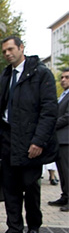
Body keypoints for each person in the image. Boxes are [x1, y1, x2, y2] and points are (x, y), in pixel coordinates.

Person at [0, 36, 58, 233]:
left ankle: (33, 226)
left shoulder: (41, 73)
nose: (8, 54)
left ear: (21, 48)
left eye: (11, 49)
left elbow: (49, 111)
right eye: (4, 51)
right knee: (10, 186)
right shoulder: (7, 75)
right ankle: (14, 228)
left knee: (30, 186)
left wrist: (38, 141)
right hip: (8, 138)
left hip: (30, 140)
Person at [48, 67, 69, 212]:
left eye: (67, 77)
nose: (63, 80)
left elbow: (67, 117)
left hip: (66, 139)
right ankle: (65, 195)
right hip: (59, 138)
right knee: (61, 170)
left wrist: (49, 125)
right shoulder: (63, 94)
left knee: (67, 170)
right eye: (62, 77)